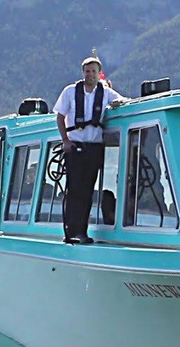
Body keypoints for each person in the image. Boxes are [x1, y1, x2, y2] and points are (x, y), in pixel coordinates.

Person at [54, 53, 127, 244]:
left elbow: (122, 101)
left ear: (99, 73)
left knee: (87, 191)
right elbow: (60, 116)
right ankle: (71, 232)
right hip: (75, 146)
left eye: (94, 71)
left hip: (94, 148)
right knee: (74, 190)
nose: (91, 75)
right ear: (83, 72)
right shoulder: (70, 91)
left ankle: (82, 232)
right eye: (87, 71)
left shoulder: (105, 92)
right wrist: (65, 140)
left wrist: (117, 103)